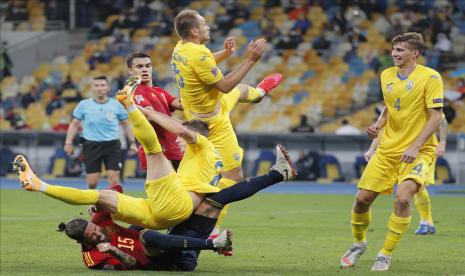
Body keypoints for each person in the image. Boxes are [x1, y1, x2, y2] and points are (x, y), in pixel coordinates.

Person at [14, 78, 296, 231]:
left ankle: (129, 105)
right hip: (160, 214)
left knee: (154, 150)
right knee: (99, 196)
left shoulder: (205, 145)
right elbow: (230, 191)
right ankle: (39, 184)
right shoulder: (208, 156)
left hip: (176, 205)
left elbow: (184, 132)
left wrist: (148, 112)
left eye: (185, 137)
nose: (182, 144)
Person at [340, 32, 444, 272]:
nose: (394, 54)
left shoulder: (430, 77)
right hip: (388, 149)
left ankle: (385, 254)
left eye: (400, 50)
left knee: (403, 198)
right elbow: (390, 106)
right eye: (394, 49)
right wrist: (379, 124)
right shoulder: (386, 75)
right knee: (362, 201)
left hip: (419, 151)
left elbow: (437, 116)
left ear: (414, 53)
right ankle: (358, 244)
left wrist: (416, 145)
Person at [172, 9, 283, 232]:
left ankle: (260, 93)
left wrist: (225, 53)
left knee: (243, 91)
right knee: (233, 177)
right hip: (212, 123)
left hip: (204, 109)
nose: (208, 27)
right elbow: (224, 85)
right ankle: (212, 228)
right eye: (204, 24)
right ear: (194, 31)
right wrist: (250, 60)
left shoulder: (182, 48)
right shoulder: (198, 54)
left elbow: (203, 64)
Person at [364, 116, 448, 235]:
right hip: (397, 152)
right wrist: (372, 148)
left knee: (418, 185)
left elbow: (441, 119)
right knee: (408, 189)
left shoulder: (420, 100)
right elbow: (383, 128)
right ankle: (426, 223)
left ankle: (426, 222)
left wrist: (442, 142)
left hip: (422, 151)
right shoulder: (393, 105)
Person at [64, 76, 138, 189]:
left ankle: (114, 206)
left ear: (108, 88)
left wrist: (132, 142)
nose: (99, 88)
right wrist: (68, 143)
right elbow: (74, 124)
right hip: (91, 145)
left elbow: (126, 125)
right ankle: (94, 204)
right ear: (92, 88)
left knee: (114, 180)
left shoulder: (117, 105)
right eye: (96, 85)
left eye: (102, 85)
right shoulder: (84, 104)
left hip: (112, 145)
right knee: (92, 181)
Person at [126, 52, 183, 171]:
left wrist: (190, 88)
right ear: (131, 71)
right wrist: (183, 125)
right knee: (166, 189)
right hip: (159, 150)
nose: (145, 69)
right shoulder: (135, 91)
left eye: (148, 65)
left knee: (183, 187)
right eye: (139, 66)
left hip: (173, 147)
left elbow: (180, 105)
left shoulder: (158, 90)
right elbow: (151, 115)